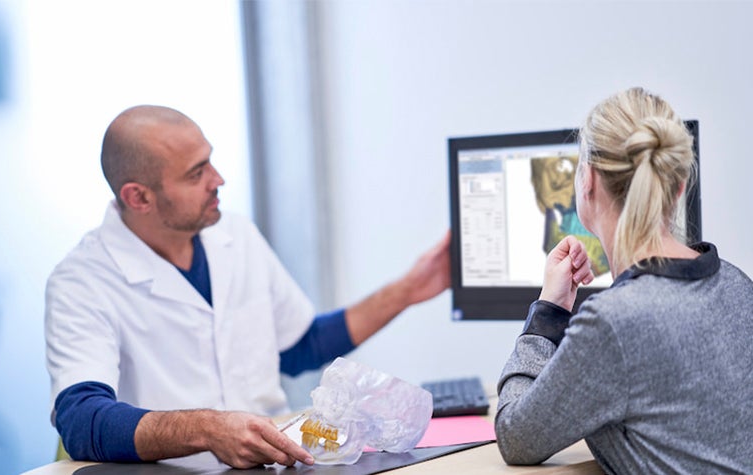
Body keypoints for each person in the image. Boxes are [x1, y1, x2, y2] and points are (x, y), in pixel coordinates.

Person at [45, 105, 451, 469]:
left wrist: (410, 289)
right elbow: (82, 419)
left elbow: (299, 346)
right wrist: (208, 429)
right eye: (196, 173)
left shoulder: (235, 235)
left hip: (274, 466)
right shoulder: (82, 281)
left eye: (211, 162)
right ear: (139, 197)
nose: (218, 179)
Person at [494, 87, 753, 473]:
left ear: (588, 181)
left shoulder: (614, 322)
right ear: (680, 187)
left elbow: (516, 436)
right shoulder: (737, 285)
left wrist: (548, 312)